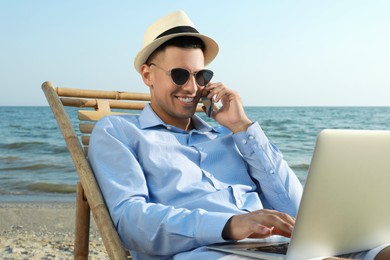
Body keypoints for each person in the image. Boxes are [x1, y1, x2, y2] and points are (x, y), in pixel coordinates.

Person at [88, 11, 390, 260]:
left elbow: (295, 207)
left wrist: (242, 126)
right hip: (207, 252)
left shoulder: (229, 135)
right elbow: (132, 222)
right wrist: (230, 225)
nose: (192, 88)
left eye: (201, 76)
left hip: (277, 248)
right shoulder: (119, 132)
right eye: (180, 75)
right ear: (147, 75)